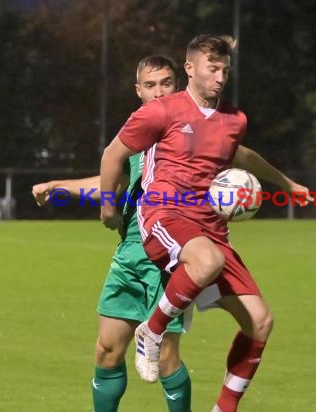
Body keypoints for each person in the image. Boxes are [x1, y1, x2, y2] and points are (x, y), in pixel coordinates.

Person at [100, 35, 313, 412]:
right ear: (190, 68)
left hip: (210, 228)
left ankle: (224, 408)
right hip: (164, 214)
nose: (220, 77)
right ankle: (151, 330)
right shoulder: (160, 111)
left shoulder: (235, 119)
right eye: (213, 68)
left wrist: (288, 184)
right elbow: (113, 152)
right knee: (207, 261)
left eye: (225, 70)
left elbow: (243, 156)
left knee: (261, 322)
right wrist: (107, 207)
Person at [32, 56, 192, 412]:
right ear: (138, 91)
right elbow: (114, 185)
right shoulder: (136, 135)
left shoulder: (190, 133)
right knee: (107, 350)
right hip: (129, 253)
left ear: (177, 86)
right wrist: (59, 186)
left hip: (168, 256)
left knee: (166, 357)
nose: (158, 92)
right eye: (150, 85)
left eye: (166, 83)